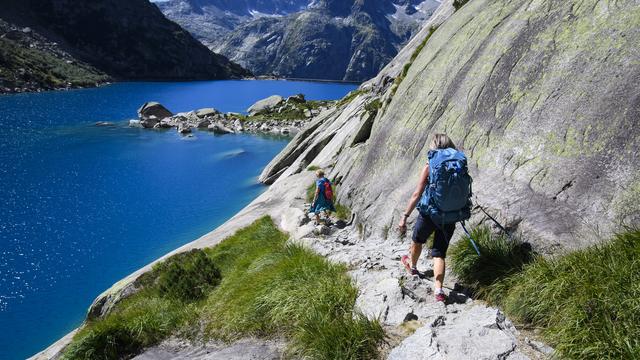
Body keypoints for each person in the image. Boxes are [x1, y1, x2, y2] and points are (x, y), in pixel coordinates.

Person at [398, 134, 458, 302]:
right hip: (451, 215)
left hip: (430, 213)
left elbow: (417, 193)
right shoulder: (458, 164)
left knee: (417, 240)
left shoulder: (430, 164)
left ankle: (413, 267)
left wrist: (405, 216)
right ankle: (438, 291)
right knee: (439, 253)